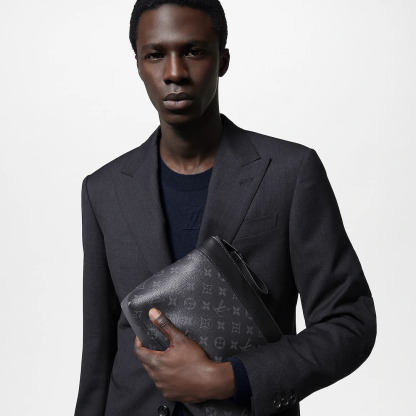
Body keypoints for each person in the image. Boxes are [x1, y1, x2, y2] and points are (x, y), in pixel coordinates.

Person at [74, 1, 377, 415]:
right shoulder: (103, 190)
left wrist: (231, 378)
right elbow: (98, 352)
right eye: (155, 55)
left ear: (223, 60)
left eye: (194, 51)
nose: (174, 72)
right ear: (139, 65)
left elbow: (350, 323)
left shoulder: (290, 172)